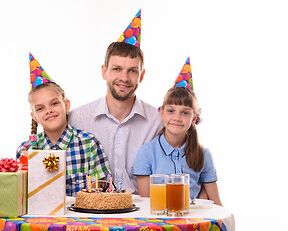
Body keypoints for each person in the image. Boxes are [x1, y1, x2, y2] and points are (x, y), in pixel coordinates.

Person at [69, 41, 163, 194]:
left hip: (141, 210)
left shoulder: (157, 121)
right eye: (117, 69)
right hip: (91, 210)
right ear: (104, 71)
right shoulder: (76, 119)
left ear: (142, 75)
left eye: (132, 71)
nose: (124, 78)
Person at [16, 54, 110, 197]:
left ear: (66, 105)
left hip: (80, 218)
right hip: (39, 218)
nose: (49, 110)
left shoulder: (88, 143)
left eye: (54, 103)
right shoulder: (25, 150)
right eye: (40, 108)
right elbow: (19, 196)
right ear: (34, 116)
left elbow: (100, 193)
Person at [133, 86, 222, 206]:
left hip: (194, 220)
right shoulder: (147, 152)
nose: (177, 118)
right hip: (159, 220)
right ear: (162, 113)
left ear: (194, 118)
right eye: (171, 111)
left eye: (185, 113)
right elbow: (146, 204)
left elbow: (216, 204)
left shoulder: (203, 154)